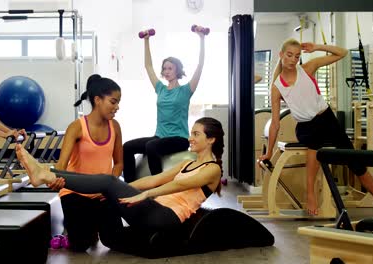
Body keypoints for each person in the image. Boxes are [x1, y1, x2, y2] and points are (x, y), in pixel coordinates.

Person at [16, 117, 224, 241]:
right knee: (107, 188)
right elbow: (154, 179)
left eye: (196, 134)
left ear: (211, 139)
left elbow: (179, 185)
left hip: (165, 217)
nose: (190, 138)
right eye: (191, 133)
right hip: (154, 208)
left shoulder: (213, 170)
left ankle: (44, 173)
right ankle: (46, 173)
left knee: (107, 181)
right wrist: (124, 188)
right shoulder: (187, 163)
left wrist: (143, 195)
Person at [258, 39, 373, 215]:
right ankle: (311, 195)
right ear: (281, 55)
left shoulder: (308, 68)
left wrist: (317, 47)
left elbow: (342, 53)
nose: (293, 59)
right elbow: (275, 124)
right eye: (289, 55)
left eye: (297, 56)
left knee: (355, 162)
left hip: (327, 120)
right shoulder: (277, 87)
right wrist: (269, 152)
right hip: (306, 127)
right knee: (314, 143)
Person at [47, 74, 123, 252]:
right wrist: (56, 180)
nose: (117, 107)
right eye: (113, 102)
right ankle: (74, 233)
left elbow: (119, 163)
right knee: (81, 245)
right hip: (75, 194)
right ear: (98, 100)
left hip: (103, 194)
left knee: (115, 241)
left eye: (118, 102)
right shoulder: (77, 127)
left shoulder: (116, 126)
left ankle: (95, 225)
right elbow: (61, 166)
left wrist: (110, 185)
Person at [122, 26, 207, 182]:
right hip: (159, 136)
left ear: (177, 70)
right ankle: (130, 186)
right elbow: (148, 66)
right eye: (164, 68)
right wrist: (146, 40)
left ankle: (158, 186)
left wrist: (202, 39)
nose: (166, 71)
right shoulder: (160, 89)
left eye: (170, 68)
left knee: (151, 147)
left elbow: (200, 65)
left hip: (179, 138)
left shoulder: (186, 90)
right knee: (127, 147)